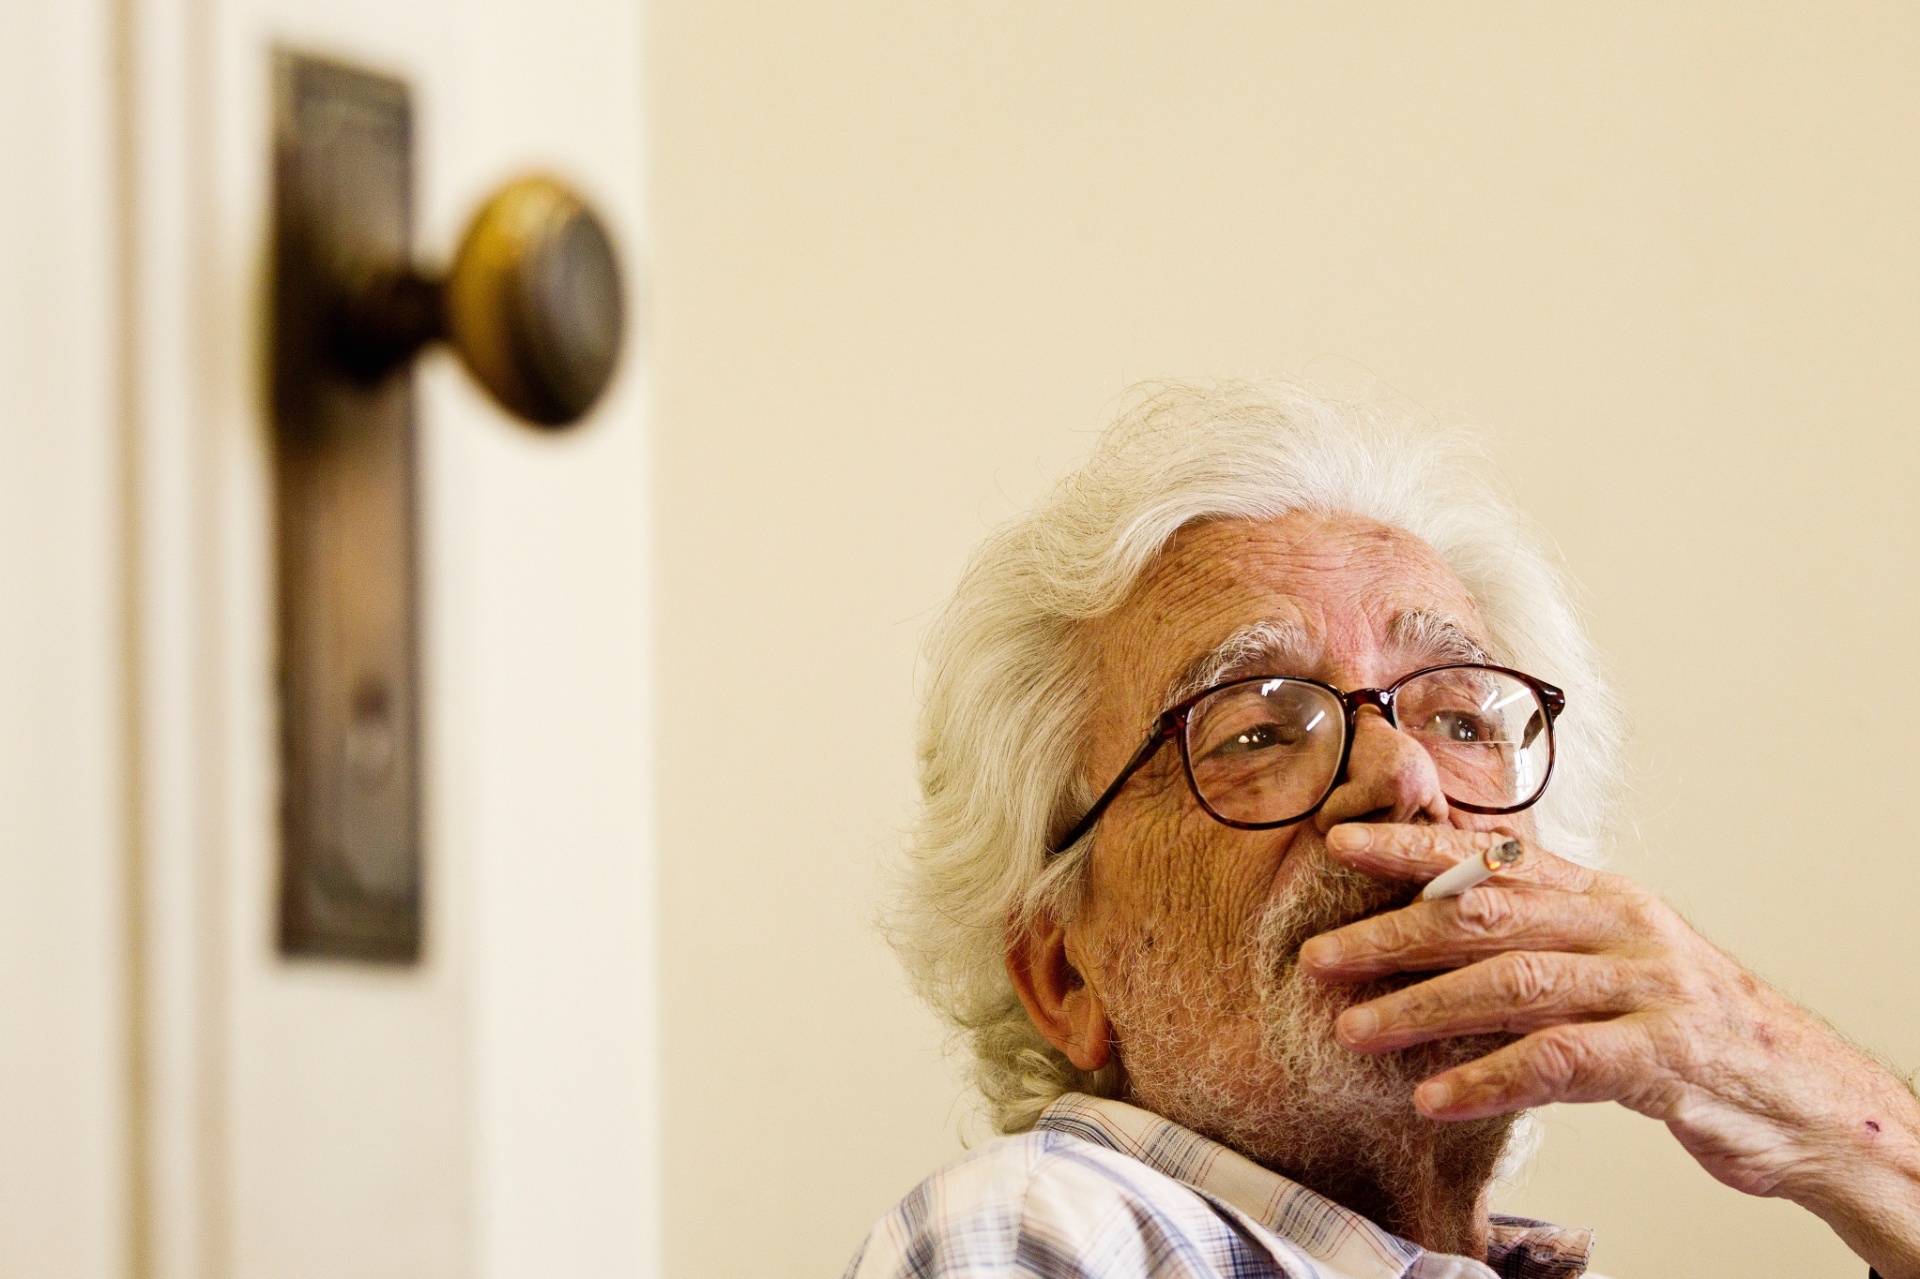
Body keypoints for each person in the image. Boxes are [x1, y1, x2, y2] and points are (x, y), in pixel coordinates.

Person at [846, 382, 1920, 1279]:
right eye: (1258, 730)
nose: (1406, 775)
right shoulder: (1047, 1228)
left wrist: (1844, 1126)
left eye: (1459, 717)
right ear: (1065, 976)